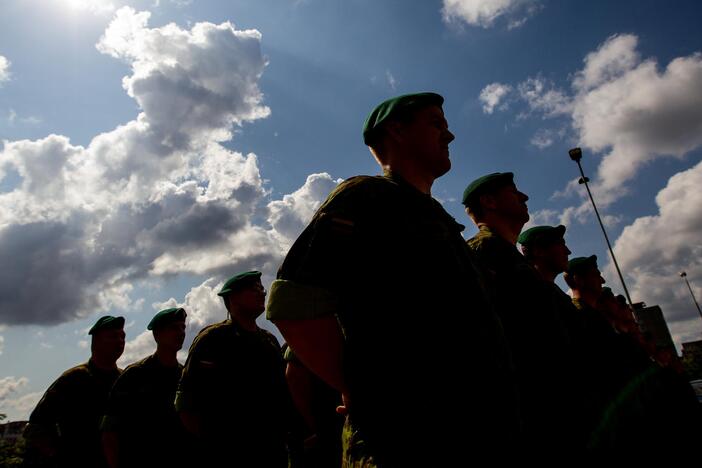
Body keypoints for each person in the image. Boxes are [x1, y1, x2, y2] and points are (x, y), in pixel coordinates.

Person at [267, 92, 518, 466]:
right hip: (404, 442)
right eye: (436, 124)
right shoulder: (368, 197)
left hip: (476, 435)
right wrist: (359, 388)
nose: (449, 136)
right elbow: (292, 302)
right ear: (397, 131)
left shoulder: (440, 221)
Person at [463, 178, 576, 450]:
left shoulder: (509, 256)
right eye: (514, 193)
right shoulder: (483, 251)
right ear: (489, 202)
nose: (524, 196)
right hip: (529, 408)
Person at [564, 256, 702, 450]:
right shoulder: (582, 319)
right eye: (615, 302)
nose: (627, 309)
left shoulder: (600, 324)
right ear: (576, 280)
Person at [176, 271, 295, 467]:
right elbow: (185, 404)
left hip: (271, 451)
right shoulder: (213, 339)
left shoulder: (269, 341)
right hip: (227, 453)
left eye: (262, 289)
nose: (262, 293)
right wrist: (213, 444)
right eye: (253, 289)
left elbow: (283, 397)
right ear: (232, 297)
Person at [23, 316, 125, 468]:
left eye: (122, 336)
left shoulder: (125, 380)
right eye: (113, 336)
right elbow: (37, 425)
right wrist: (60, 454)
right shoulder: (74, 378)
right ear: (96, 341)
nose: (120, 341)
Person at [101, 307, 190, 468]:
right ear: (157, 334)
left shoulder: (185, 375)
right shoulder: (135, 375)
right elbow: (110, 431)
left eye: (183, 327)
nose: (181, 332)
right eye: (174, 328)